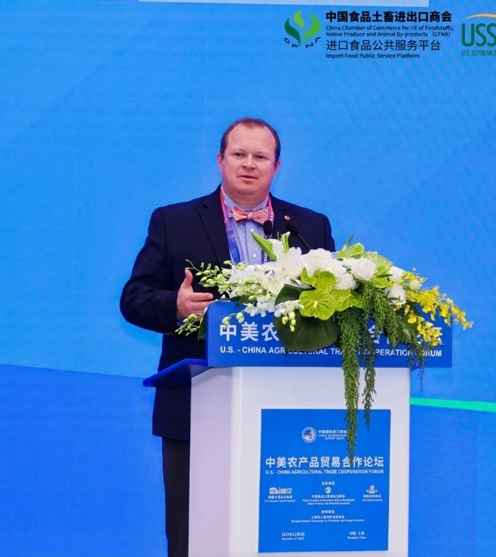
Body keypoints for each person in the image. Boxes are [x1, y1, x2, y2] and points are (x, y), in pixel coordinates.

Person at [120, 117, 335, 557]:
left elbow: (334, 304)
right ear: (220, 160)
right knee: (192, 535)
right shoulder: (173, 221)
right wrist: (175, 307)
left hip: (286, 410)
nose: (249, 165)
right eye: (239, 154)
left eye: (261, 157)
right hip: (195, 408)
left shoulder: (311, 227)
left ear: (277, 166)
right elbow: (133, 298)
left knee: (280, 534)